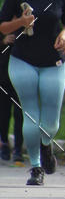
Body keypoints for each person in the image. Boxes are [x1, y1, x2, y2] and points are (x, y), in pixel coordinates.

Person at [0, 0, 65, 186]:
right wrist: (20, 21)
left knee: (51, 122)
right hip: (23, 61)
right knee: (30, 113)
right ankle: (36, 167)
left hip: (53, 62)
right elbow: (2, 27)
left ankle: (46, 144)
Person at [0, 33, 24, 163]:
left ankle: (18, 148)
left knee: (20, 113)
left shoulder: (28, 19)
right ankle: (4, 143)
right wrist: (3, 41)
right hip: (3, 74)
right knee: (3, 113)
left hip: (21, 74)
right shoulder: (4, 20)